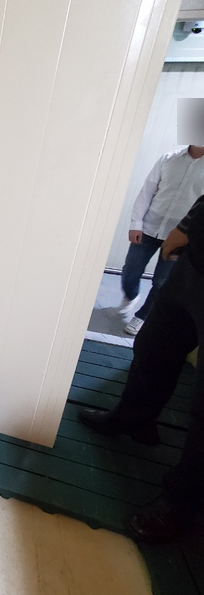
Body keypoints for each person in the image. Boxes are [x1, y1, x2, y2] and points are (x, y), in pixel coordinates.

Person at [79, 193, 204, 542]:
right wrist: (189, 225)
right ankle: (134, 419)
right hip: (195, 263)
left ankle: (182, 503)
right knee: (154, 346)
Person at [119, 144, 204, 336]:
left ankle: (142, 316)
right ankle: (131, 295)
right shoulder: (169, 158)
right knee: (130, 270)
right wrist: (136, 223)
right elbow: (147, 191)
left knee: (161, 281)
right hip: (149, 227)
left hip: (180, 236)